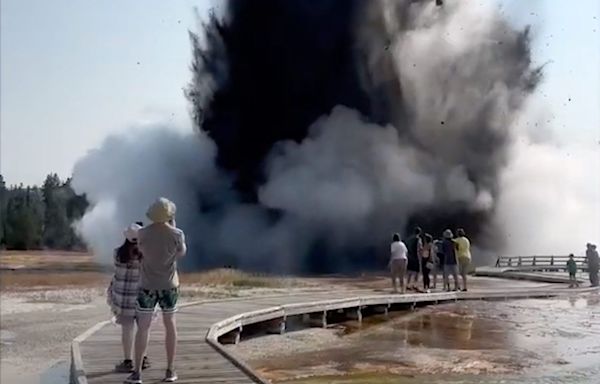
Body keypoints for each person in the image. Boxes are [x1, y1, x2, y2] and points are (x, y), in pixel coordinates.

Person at [125, 198, 187, 384]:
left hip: (147, 286)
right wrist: (172, 226)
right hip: (169, 285)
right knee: (170, 326)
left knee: (143, 328)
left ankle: (137, 373)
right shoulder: (177, 234)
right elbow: (181, 252)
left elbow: (133, 240)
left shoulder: (142, 233)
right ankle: (169, 370)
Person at [107, 223, 150, 373]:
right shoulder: (146, 255)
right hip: (142, 298)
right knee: (143, 329)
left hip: (123, 299)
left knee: (127, 330)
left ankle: (128, 361)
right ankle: (143, 359)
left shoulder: (117, 253)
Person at [406, 227, 423, 291]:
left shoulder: (410, 239)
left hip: (410, 257)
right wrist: (421, 256)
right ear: (419, 232)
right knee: (417, 272)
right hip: (416, 257)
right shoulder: (418, 239)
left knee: (410, 272)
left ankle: (407, 284)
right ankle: (415, 285)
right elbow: (419, 248)